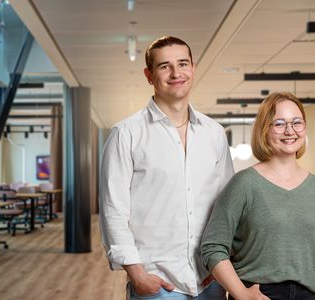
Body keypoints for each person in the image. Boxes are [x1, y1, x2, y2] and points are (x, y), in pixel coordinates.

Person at [98, 36, 234, 299]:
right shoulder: (126, 134)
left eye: (183, 63)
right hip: (157, 284)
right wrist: (137, 275)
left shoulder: (214, 134)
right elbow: (113, 212)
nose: (176, 73)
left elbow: (226, 207)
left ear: (193, 69)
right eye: (164, 66)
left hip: (211, 280)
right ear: (149, 75)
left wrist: (224, 263)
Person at [199, 92, 315, 300]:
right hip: (258, 294)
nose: (289, 131)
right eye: (279, 124)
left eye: (296, 122)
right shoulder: (244, 184)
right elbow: (213, 247)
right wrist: (242, 293)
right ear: (264, 130)